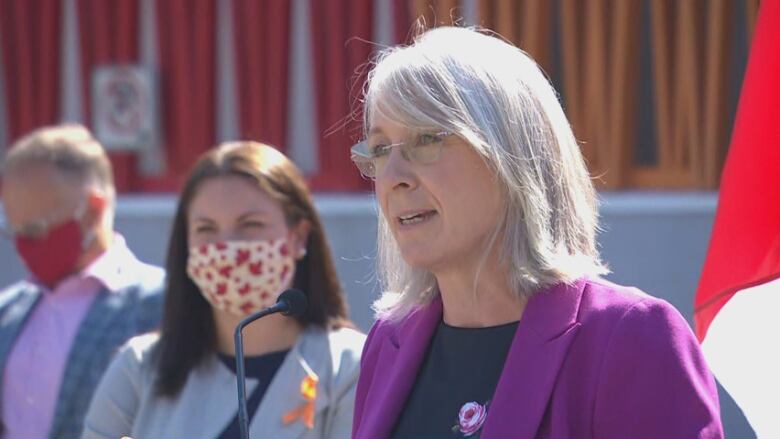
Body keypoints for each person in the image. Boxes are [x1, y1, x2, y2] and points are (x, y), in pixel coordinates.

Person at [350, 27, 723, 439]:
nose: (394, 177)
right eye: (381, 149)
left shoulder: (631, 337)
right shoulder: (388, 344)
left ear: (512, 153)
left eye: (424, 139)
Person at [82, 141, 365, 438]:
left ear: (298, 237)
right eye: (206, 229)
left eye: (250, 224)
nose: (227, 245)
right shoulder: (138, 368)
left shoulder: (351, 367)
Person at [0, 124, 164, 439]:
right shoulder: (10, 310)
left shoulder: (161, 304)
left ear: (92, 210)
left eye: (34, 229)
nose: (24, 246)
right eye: (16, 232)